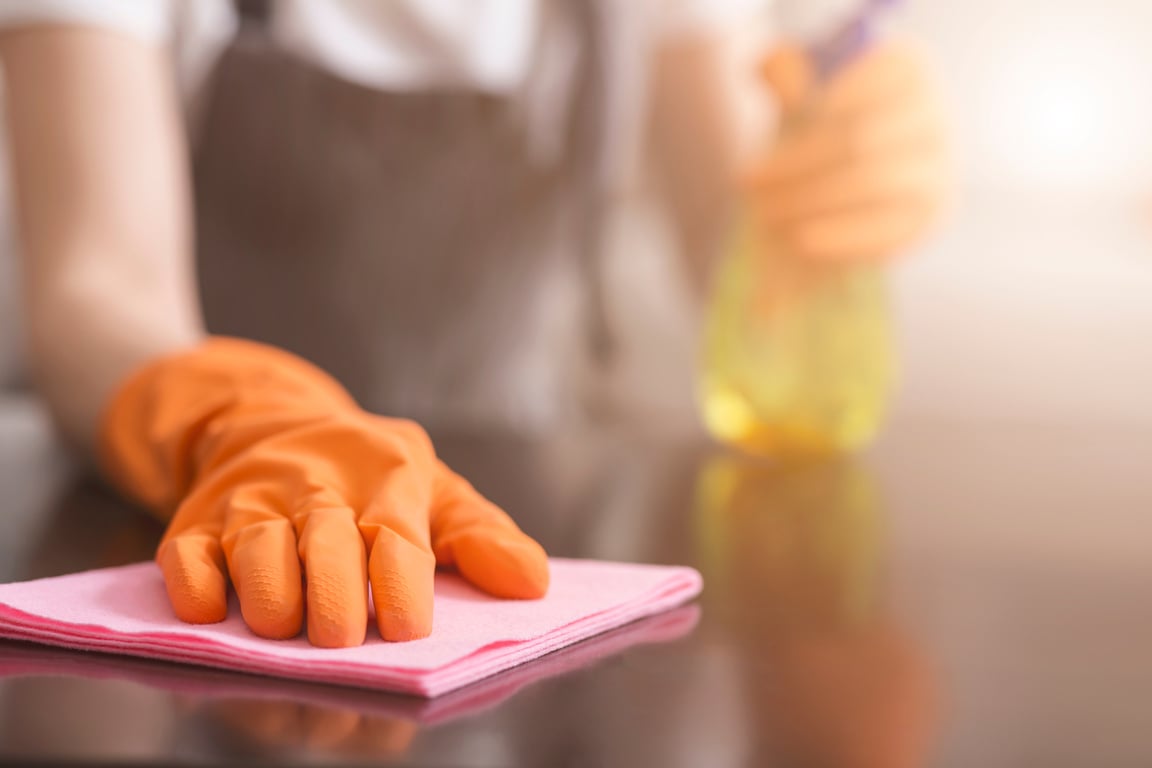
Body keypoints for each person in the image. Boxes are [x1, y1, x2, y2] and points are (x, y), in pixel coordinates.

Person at [0, 0, 946, 647]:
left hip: (494, 539)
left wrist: (825, 180)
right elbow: (101, 285)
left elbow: (735, 237)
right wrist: (246, 421)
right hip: (212, 518)